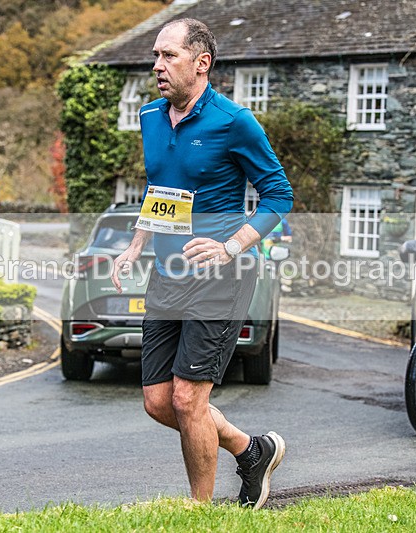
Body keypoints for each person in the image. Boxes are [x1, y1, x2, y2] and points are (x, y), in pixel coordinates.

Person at [110, 18, 293, 508]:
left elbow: (279, 195)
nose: (157, 66)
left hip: (221, 278)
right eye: (156, 56)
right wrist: (135, 245)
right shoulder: (151, 117)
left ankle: (200, 511)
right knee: (158, 401)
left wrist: (231, 246)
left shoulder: (235, 121)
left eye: (169, 56)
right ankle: (250, 449)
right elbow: (161, 188)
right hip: (167, 277)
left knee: (189, 400)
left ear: (201, 62)